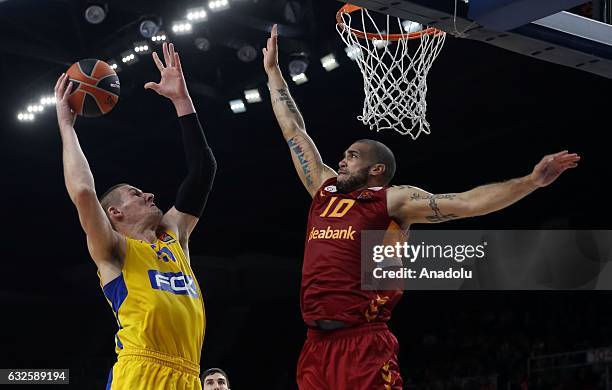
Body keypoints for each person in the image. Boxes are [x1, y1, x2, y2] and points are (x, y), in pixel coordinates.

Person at [262, 24, 580, 389]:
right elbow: (294, 132)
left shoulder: (393, 200)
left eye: (352, 156)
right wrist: (274, 74)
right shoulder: (325, 189)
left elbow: (465, 204)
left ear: (375, 169)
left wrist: (531, 181)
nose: (343, 161)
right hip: (315, 344)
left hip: (363, 341)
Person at [55, 42, 216, 389]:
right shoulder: (113, 249)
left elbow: (203, 170)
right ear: (114, 212)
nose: (149, 195)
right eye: (135, 194)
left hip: (189, 375)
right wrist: (67, 126)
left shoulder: (174, 237)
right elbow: (83, 192)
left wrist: (181, 100)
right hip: (141, 372)